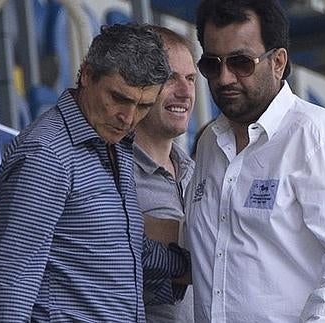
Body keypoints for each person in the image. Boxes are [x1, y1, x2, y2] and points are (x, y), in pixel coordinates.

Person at [185, 0, 325, 322]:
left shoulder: (320, 138)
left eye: (241, 63)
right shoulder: (210, 144)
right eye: (213, 65)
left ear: (278, 62)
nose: (225, 78)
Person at [0, 24, 190, 322]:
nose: (128, 118)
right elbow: (12, 281)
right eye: (119, 98)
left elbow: (123, 247)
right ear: (87, 75)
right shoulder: (48, 155)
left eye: (143, 106)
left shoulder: (113, 143)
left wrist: (185, 267)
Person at [134, 26, 197, 323]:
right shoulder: (109, 172)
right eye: (171, 78)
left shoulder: (201, 173)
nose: (185, 92)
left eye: (191, 79)